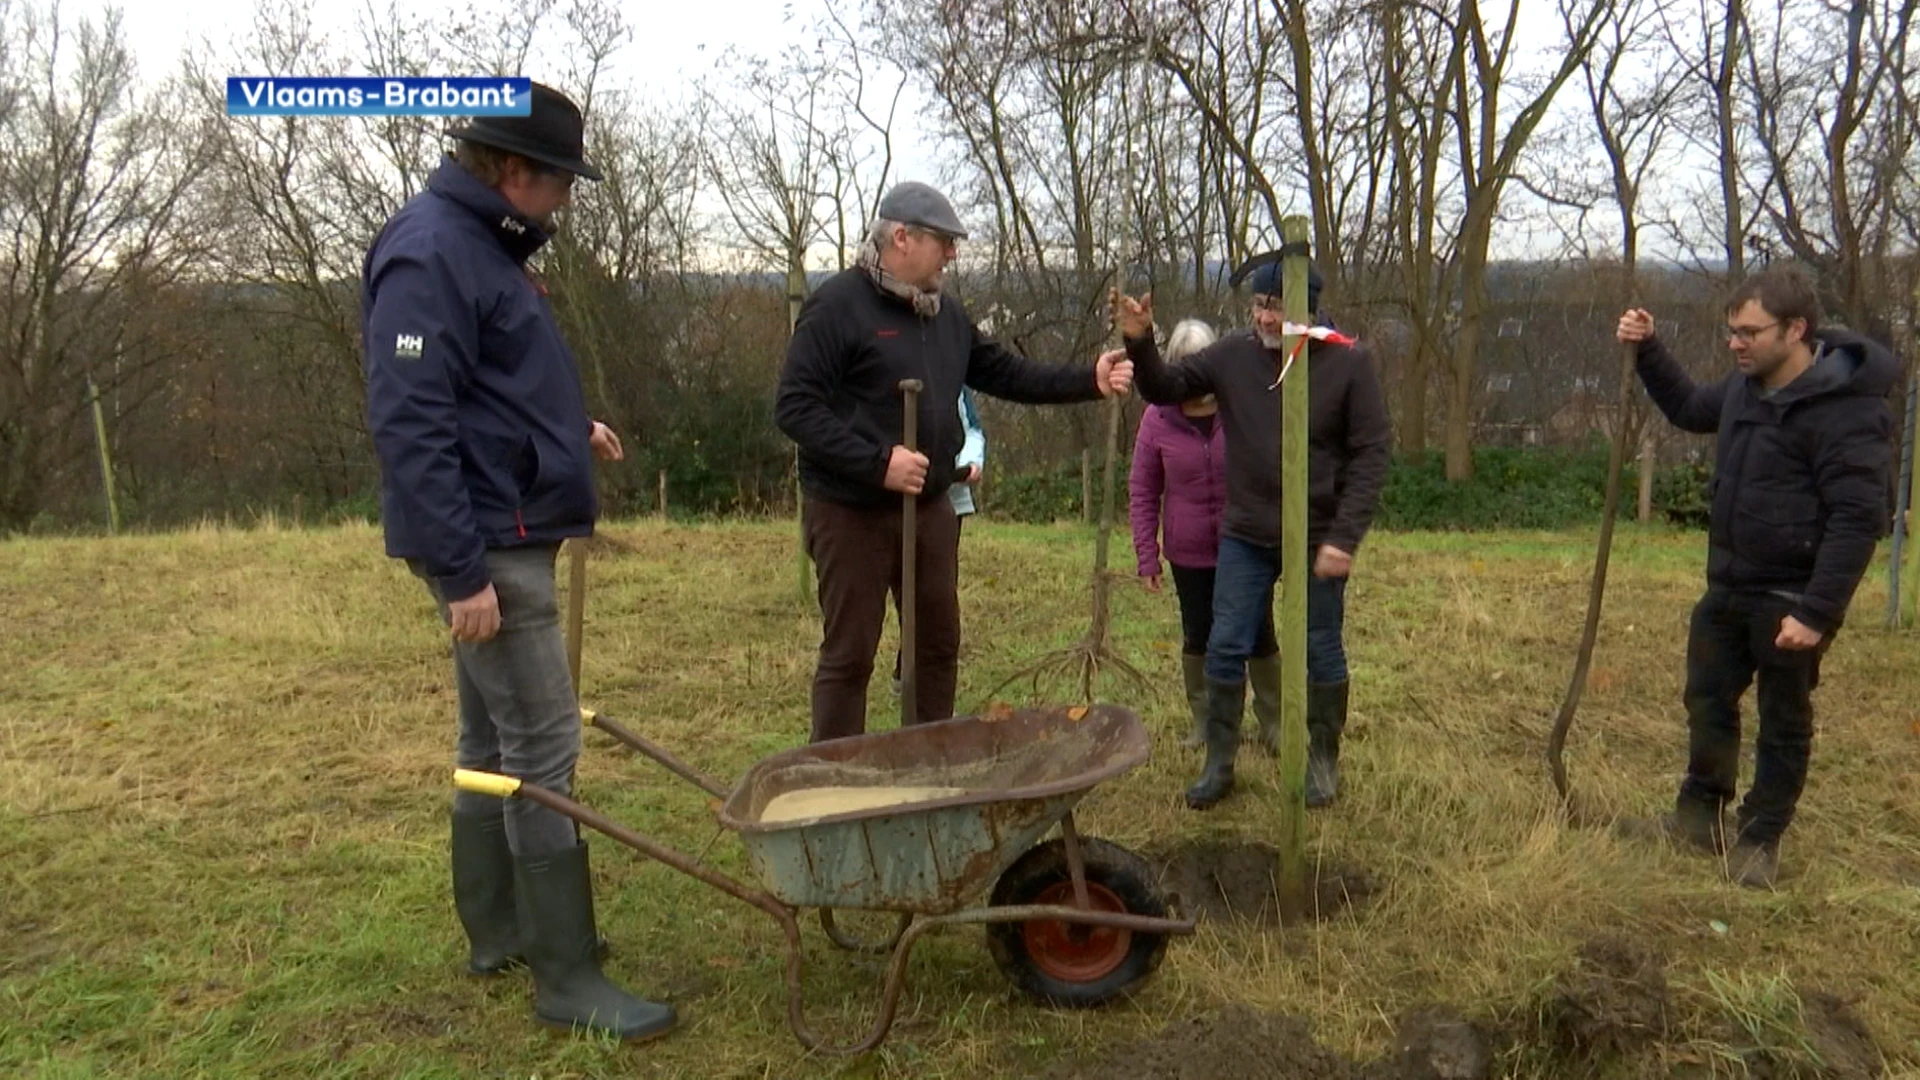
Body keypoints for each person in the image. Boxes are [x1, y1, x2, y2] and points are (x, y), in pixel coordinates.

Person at [362, 82, 674, 1041]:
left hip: (504, 520)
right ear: (509, 172)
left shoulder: (482, 248)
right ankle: (567, 976)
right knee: (544, 749)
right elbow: (410, 422)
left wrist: (563, 429)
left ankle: (501, 931)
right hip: (494, 546)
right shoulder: (431, 253)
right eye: (559, 182)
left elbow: (479, 388)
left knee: (490, 747)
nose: (566, 201)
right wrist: (461, 574)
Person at [776, 181, 1134, 743]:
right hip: (850, 512)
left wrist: (1086, 379)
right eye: (944, 241)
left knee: (937, 646)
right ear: (901, 237)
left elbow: (1006, 373)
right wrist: (876, 463)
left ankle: (927, 763)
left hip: (930, 509)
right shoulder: (837, 307)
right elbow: (794, 408)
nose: (953, 253)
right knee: (851, 654)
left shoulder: (943, 315)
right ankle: (835, 779)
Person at [1614, 267, 1894, 889]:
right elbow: (1689, 408)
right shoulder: (1746, 389)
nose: (1735, 344)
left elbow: (1857, 519)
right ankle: (1698, 817)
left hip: (1795, 596)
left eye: (1749, 332)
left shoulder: (1848, 411)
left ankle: (1759, 837)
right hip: (1731, 583)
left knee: (1783, 717)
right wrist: (1650, 349)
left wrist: (1818, 611)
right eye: (1730, 332)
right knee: (1708, 700)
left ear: (1795, 330)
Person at [1109, 253, 1391, 810]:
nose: (1265, 319)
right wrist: (1141, 342)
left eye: (1278, 308)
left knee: (1319, 647)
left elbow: (1371, 454)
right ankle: (1219, 762)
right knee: (1225, 641)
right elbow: (1165, 388)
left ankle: (1321, 760)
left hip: (1318, 533)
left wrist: (1344, 536)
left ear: (1309, 310)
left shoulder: (1348, 363)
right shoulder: (1234, 356)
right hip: (1246, 530)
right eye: (1260, 305)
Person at [1129, 319, 1281, 752]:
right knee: (1199, 634)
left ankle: (1273, 723)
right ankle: (1209, 724)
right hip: (1188, 551)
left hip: (1247, 543)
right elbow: (1143, 489)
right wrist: (1147, 554)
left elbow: (1271, 468)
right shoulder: (1157, 419)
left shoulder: (1241, 406)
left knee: (1258, 631)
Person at [893, 387, 986, 697]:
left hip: (949, 498)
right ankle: (906, 666)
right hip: (893, 498)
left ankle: (929, 694)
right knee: (903, 585)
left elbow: (972, 428)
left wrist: (970, 462)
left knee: (937, 591)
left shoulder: (953, 378)